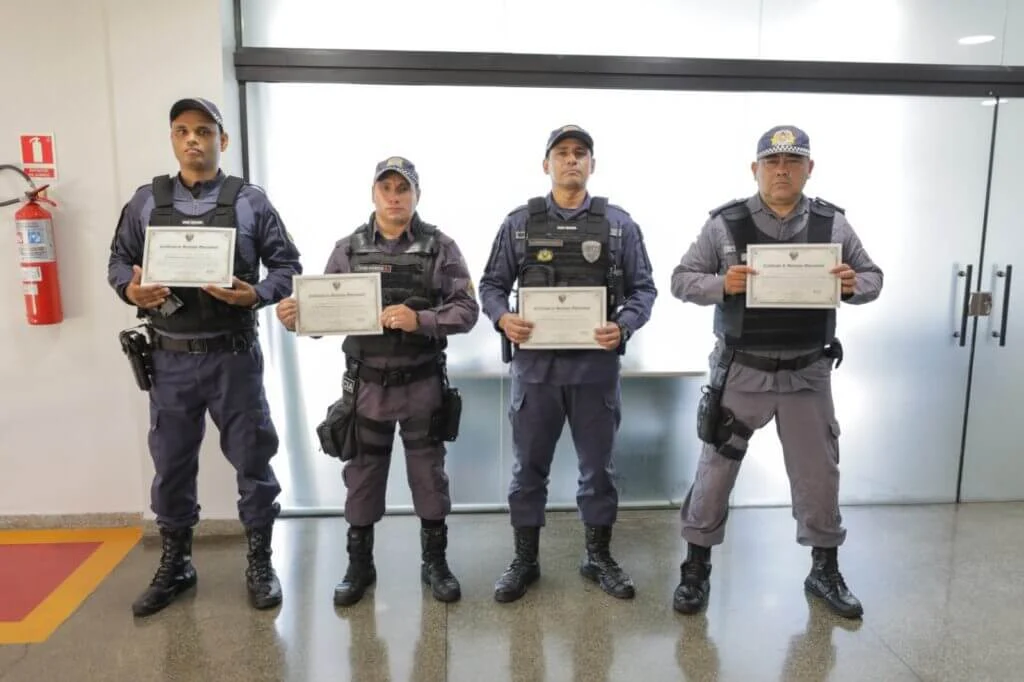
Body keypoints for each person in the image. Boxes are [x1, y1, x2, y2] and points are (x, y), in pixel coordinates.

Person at [669, 125, 883, 619]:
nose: (781, 170)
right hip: (742, 371)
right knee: (714, 473)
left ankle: (824, 570)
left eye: (792, 161)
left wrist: (852, 285)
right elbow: (681, 280)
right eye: (772, 162)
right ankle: (696, 567)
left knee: (819, 475)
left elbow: (873, 277)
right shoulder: (724, 224)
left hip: (807, 373)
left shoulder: (834, 225)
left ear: (809, 168)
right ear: (756, 169)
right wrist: (723, 284)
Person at [107, 97, 302, 616]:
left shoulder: (250, 202)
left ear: (223, 139)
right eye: (182, 130)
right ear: (172, 139)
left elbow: (287, 267)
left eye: (203, 130)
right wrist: (131, 290)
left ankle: (259, 561)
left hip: (232, 357)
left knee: (253, 459)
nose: (192, 139)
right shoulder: (147, 201)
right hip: (169, 359)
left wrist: (255, 295)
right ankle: (177, 564)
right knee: (170, 465)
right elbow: (119, 261)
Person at [276, 156, 479, 606]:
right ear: (373, 193)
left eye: (403, 188)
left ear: (416, 195)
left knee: (429, 476)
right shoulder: (348, 250)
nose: (394, 196)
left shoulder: (440, 247)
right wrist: (296, 317)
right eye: (386, 188)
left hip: (422, 384)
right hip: (366, 386)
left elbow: (468, 310)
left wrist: (420, 320)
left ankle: (435, 563)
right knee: (363, 475)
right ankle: (359, 565)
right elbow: (322, 314)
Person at [479, 125, 657, 602]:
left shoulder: (619, 226)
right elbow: (491, 286)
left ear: (592, 164)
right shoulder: (519, 224)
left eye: (581, 153)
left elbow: (644, 290)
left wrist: (624, 325)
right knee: (528, 470)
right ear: (547, 164)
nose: (571, 160)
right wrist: (503, 318)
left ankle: (597, 556)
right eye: (562, 153)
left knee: (598, 471)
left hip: (594, 372)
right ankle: (525, 560)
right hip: (535, 373)